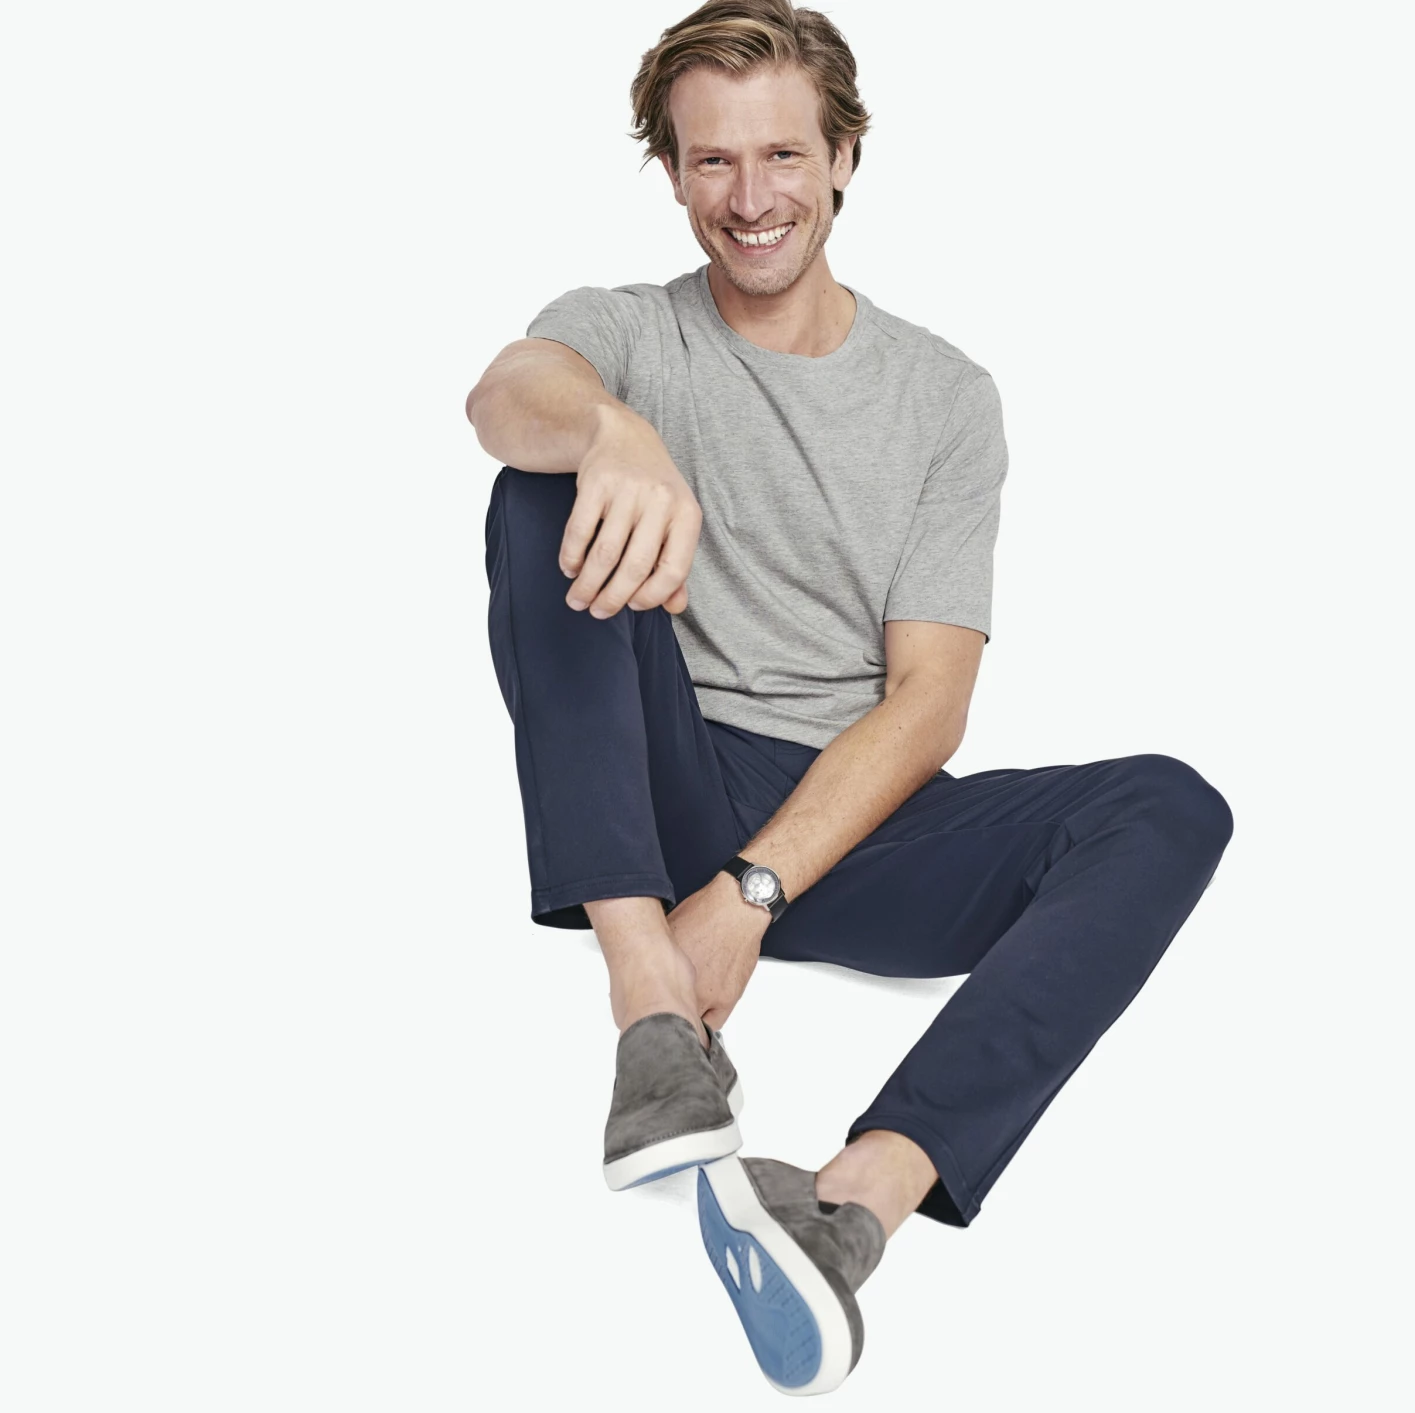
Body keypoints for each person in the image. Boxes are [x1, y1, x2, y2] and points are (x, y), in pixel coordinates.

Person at [465, 0, 1232, 1396]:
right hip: (662, 766)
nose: (750, 198)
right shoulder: (625, 333)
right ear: (671, 173)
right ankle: (653, 1019)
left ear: (844, 158)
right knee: (536, 489)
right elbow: (505, 394)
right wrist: (609, 429)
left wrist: (748, 898)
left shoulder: (944, 396)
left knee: (1169, 807)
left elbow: (930, 703)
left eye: (782, 156)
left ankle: (848, 1207)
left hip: (853, 810)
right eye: (711, 161)